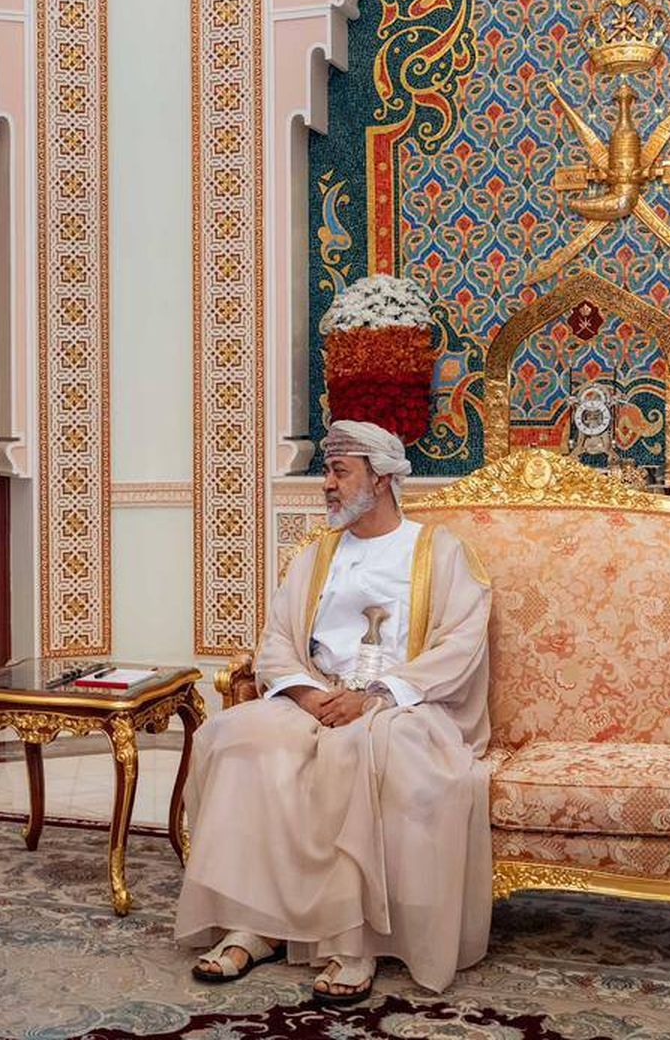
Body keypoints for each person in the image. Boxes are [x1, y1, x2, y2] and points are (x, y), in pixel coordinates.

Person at [176, 420, 493, 1004]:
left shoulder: (438, 551)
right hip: (318, 696)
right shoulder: (316, 555)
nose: (326, 484)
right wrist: (303, 692)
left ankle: (353, 943)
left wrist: (374, 698)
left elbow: (462, 643)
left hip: (400, 705)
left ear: (383, 476)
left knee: (357, 752)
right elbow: (275, 640)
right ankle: (254, 923)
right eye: (326, 470)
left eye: (339, 471)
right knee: (237, 737)